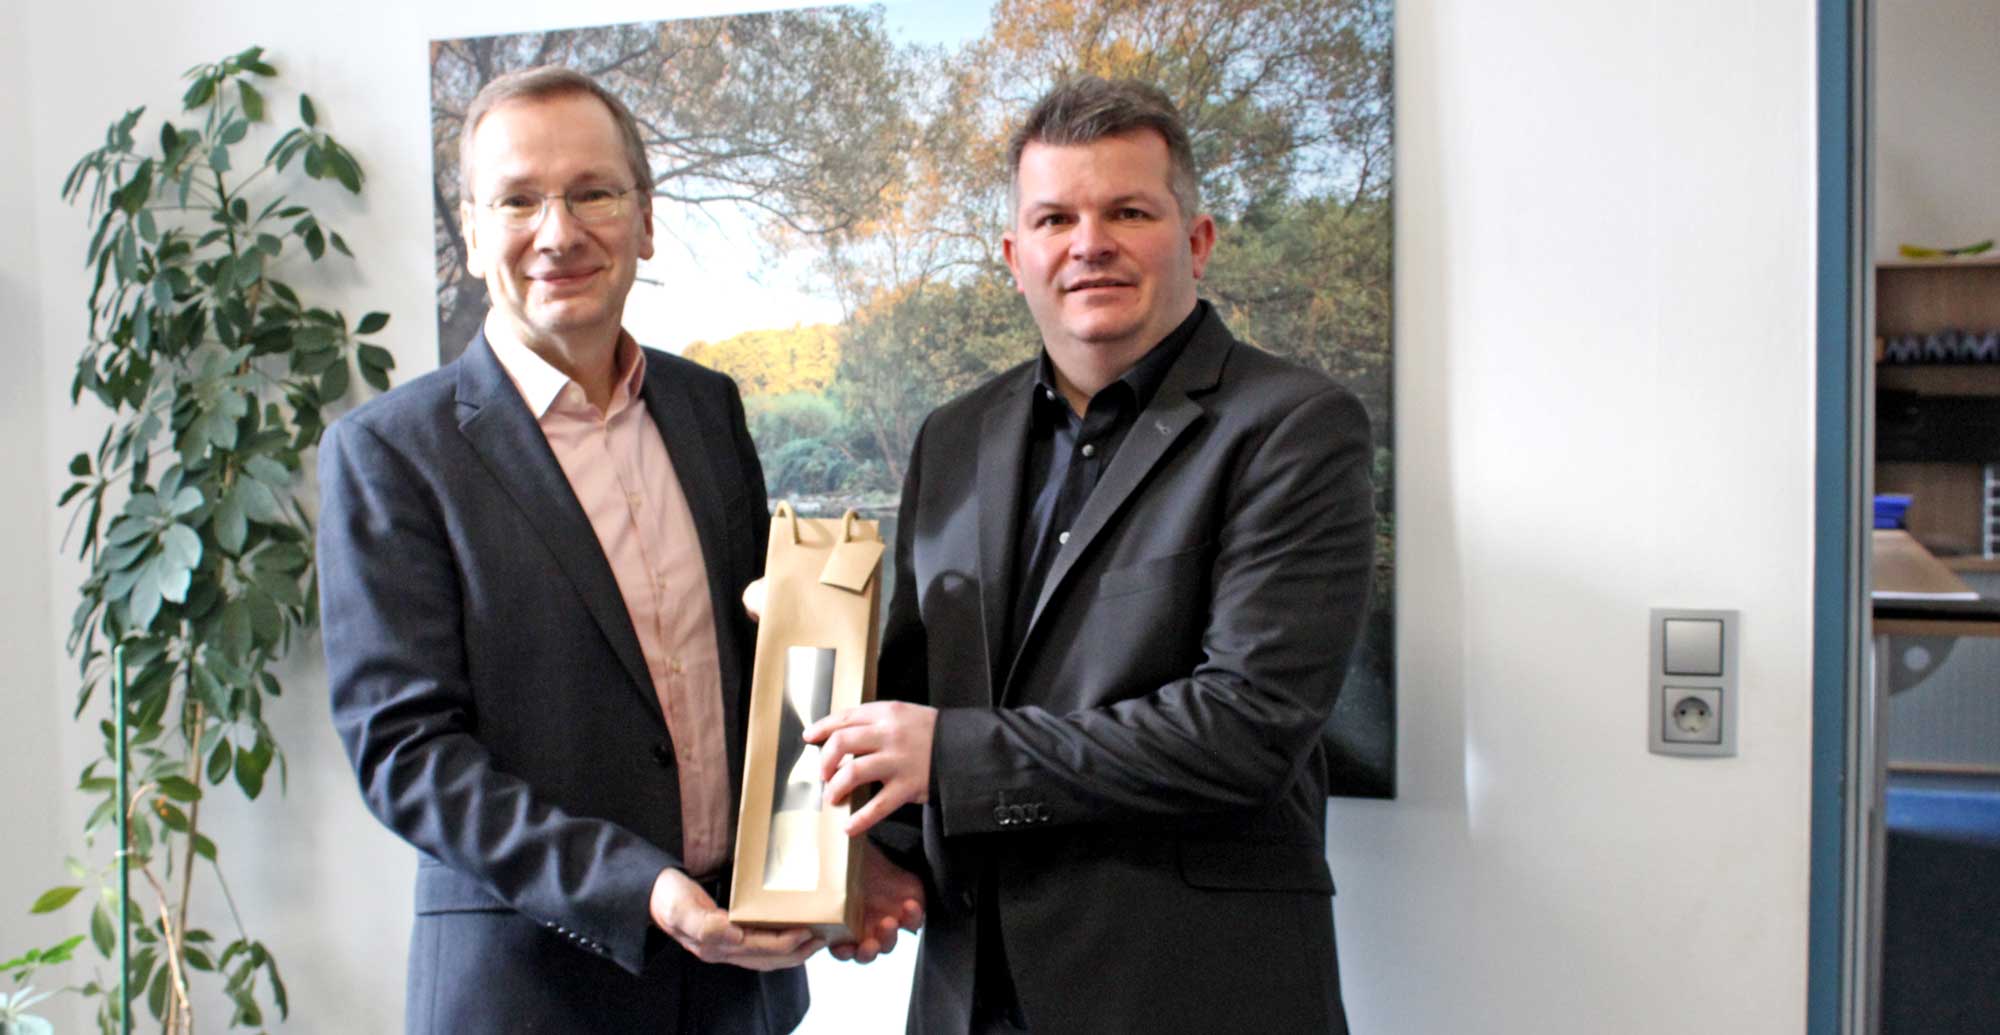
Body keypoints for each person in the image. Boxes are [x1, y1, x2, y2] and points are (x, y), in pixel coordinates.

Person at [317, 65, 913, 1034]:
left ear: (642, 220)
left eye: (592, 192)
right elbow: (408, 758)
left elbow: (773, 669)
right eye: (517, 200)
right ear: (471, 236)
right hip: (530, 992)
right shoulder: (389, 455)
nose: (558, 233)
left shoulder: (704, 408)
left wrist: (844, 850)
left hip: (739, 988)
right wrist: (644, 891)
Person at [805, 77, 1376, 1034]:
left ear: (1196, 239)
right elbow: (914, 681)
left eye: (1128, 211)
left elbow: (1247, 728)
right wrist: (867, 856)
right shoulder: (953, 437)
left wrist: (951, 754)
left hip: (1192, 991)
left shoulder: (1295, 427)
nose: (1089, 243)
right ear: (1014, 255)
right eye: (1056, 217)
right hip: (971, 987)